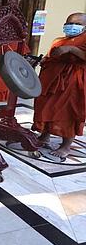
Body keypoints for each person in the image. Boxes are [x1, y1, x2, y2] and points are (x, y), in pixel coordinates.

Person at [32, 12, 86, 159]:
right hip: (52, 80)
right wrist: (43, 61)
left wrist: (72, 49)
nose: (72, 26)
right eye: (69, 23)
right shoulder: (59, 40)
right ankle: (45, 135)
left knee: (67, 112)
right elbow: (51, 56)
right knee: (47, 106)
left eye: (78, 24)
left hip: (74, 82)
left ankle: (66, 145)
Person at [0, 41, 30, 110]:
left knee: (3, 85)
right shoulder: (1, 40)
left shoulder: (17, 42)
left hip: (8, 65)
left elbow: (18, 56)